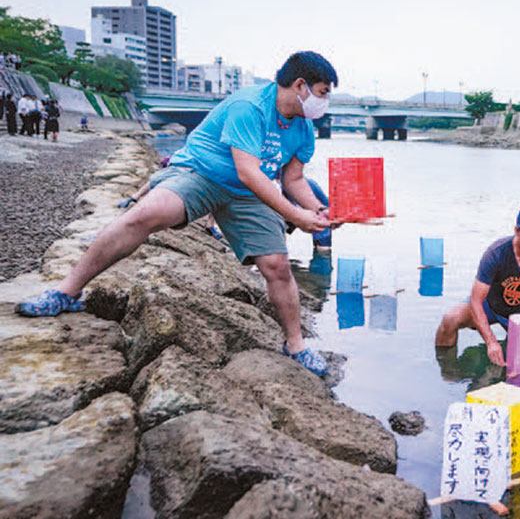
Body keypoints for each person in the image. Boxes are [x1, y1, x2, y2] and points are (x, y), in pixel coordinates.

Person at [16, 51, 340, 377]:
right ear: (301, 85)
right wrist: (297, 218)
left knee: (278, 267)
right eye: (323, 92)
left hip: (248, 194)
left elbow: (293, 180)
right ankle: (65, 292)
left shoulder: (303, 128)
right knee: (144, 215)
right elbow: (249, 172)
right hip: (201, 173)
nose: (324, 102)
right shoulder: (251, 106)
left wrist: (320, 211)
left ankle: (295, 344)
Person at [435, 205, 520, 366]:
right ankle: (445, 363)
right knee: (451, 318)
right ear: (518, 231)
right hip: (491, 306)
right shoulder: (496, 253)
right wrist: (491, 342)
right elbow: (476, 301)